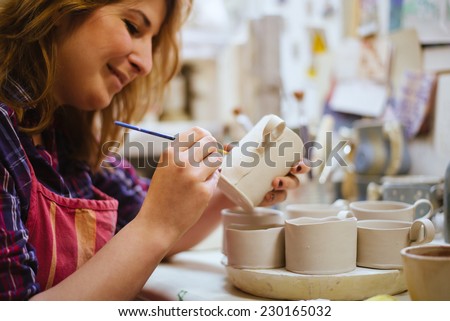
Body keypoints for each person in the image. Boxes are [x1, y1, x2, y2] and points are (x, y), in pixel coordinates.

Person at [0, 0, 308, 300]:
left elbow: (147, 224)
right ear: (60, 9)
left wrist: (239, 182)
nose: (145, 63)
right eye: (133, 26)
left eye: (152, 40)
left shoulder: (66, 132)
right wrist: (158, 224)